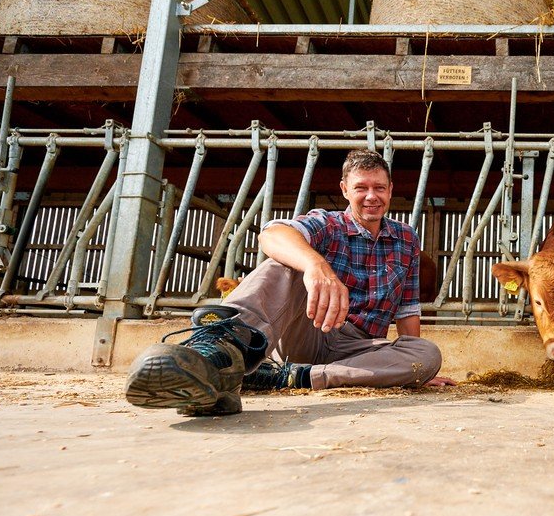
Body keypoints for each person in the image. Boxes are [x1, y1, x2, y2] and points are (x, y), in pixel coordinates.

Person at [125, 149, 454, 417]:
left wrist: (417, 371)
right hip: (311, 333)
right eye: (361, 188)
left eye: (379, 188)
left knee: (426, 353)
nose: (371, 196)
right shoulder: (327, 223)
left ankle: (287, 377)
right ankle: (218, 354)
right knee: (288, 262)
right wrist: (315, 265)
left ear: (391, 190)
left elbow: (408, 308)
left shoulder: (406, 240)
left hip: (361, 349)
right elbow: (271, 233)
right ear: (344, 190)